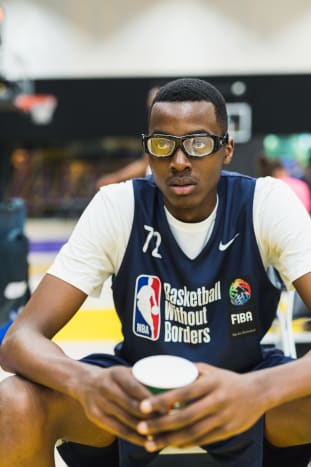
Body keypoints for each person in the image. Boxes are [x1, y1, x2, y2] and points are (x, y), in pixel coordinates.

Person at [2, 78, 311, 467]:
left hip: (247, 383)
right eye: (163, 145)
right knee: (14, 400)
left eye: (198, 144)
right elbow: (19, 340)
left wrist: (259, 389)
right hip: (132, 392)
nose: (179, 160)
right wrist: (86, 382)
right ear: (148, 150)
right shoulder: (118, 206)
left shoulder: (266, 203)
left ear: (227, 149)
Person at [95, 86, 160, 188]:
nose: (150, 104)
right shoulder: (154, 128)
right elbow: (144, 163)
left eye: (155, 99)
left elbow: (144, 165)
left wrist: (115, 178)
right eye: (150, 100)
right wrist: (114, 178)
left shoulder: (169, 127)